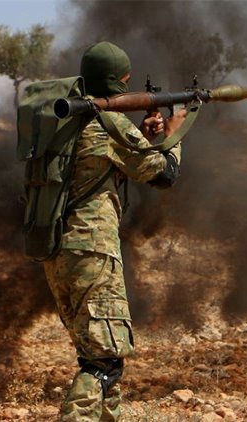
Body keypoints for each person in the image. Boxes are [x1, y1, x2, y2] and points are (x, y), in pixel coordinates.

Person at [43, 41, 188, 421]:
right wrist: (176, 134)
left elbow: (99, 166)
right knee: (104, 363)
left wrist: (142, 134)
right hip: (93, 253)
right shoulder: (109, 123)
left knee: (103, 356)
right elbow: (163, 175)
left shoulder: (68, 120)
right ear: (120, 79)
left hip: (59, 252)